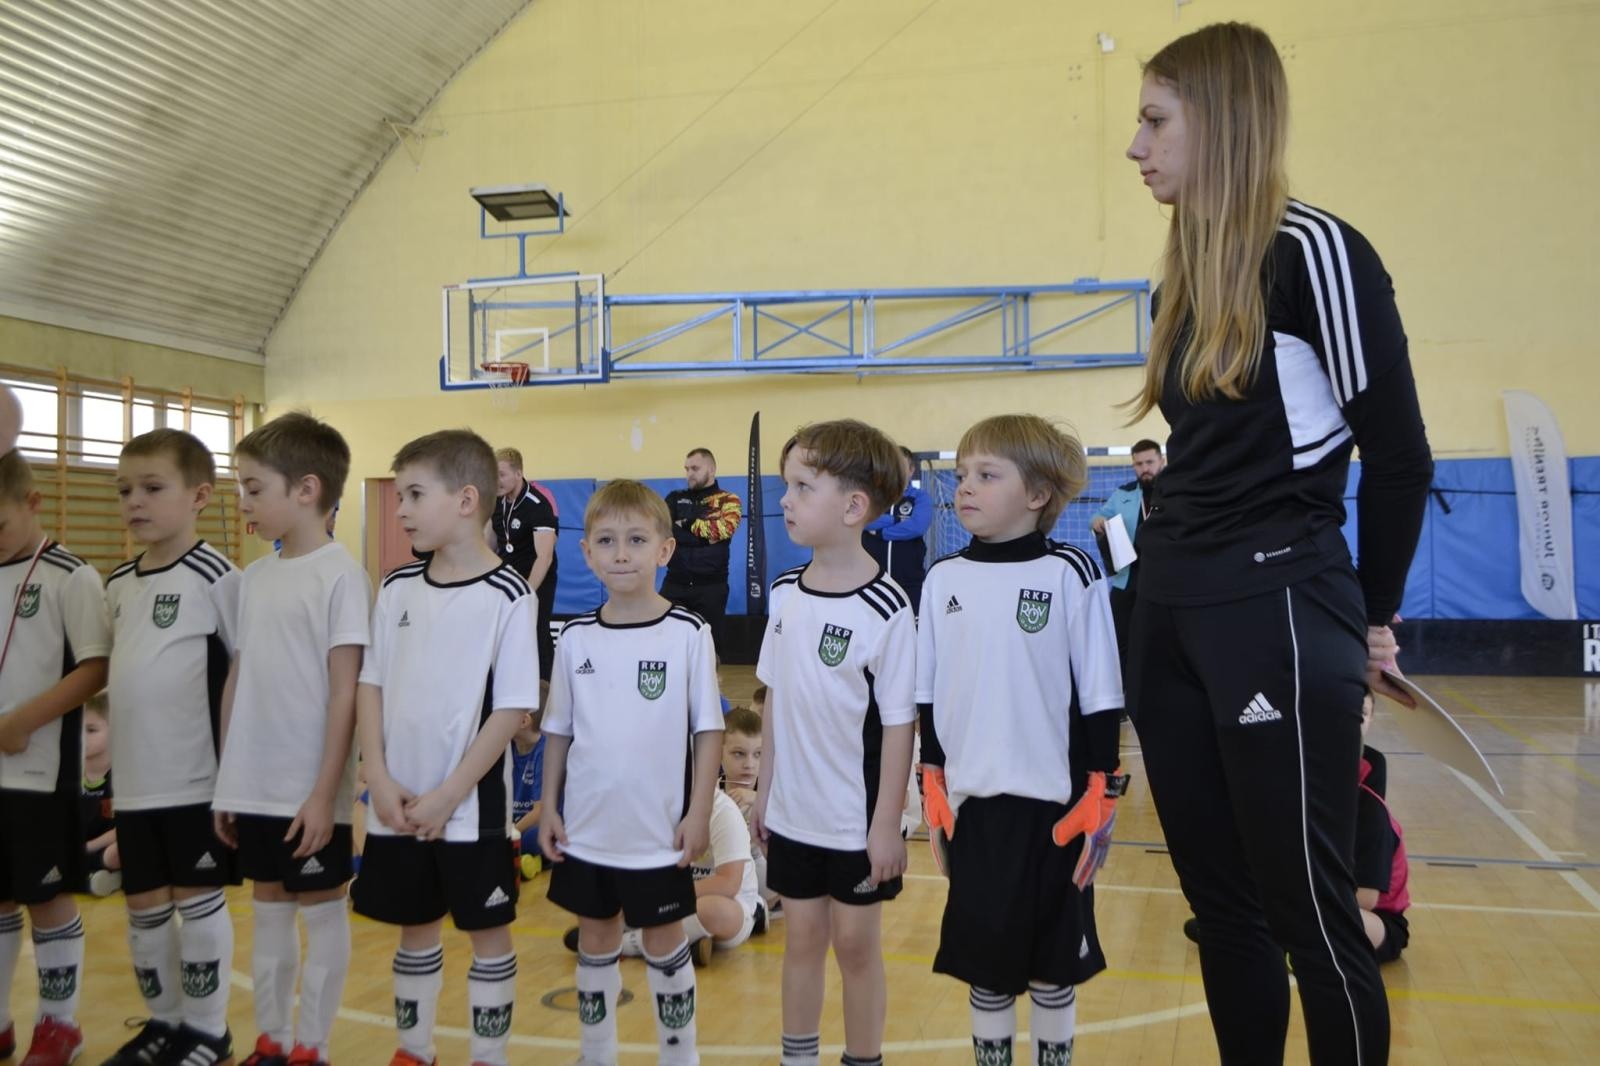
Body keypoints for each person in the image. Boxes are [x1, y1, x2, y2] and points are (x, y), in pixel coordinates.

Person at [1122, 23, 1433, 1065]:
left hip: (1277, 609)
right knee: (1222, 912)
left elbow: (1400, 456)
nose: (1135, 147)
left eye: (1155, 120)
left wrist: (1374, 618)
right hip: (1169, 611)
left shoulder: (1314, 253)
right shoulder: (1180, 277)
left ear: (1221, 121)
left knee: (1309, 912)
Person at [915, 414, 1125, 1065]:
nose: (964, 487)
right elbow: (928, 692)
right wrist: (931, 778)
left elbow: (1100, 692)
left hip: (1056, 811)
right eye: (961, 475)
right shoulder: (941, 578)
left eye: (986, 474)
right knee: (986, 969)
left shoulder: (1071, 571)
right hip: (972, 809)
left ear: (1037, 494)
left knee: (1054, 969)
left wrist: (1102, 788)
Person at [351, 430, 536, 1066]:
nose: (400, 509)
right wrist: (377, 775)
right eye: (399, 496)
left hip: (470, 810)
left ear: (464, 500)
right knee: (415, 928)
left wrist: (450, 795)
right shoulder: (397, 587)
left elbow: (510, 710)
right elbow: (370, 684)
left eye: (413, 494)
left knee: (489, 934)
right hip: (399, 803)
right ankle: (414, 1049)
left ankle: (489, 1056)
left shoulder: (510, 595)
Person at [539, 479, 724, 1065]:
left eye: (637, 540)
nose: (621, 554)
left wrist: (699, 812)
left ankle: (680, 1055)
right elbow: (559, 731)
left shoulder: (689, 633)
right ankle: (597, 1054)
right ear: (587, 552)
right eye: (607, 541)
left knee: (665, 941)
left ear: (664, 550)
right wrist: (549, 807)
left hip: (657, 833)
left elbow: (708, 731)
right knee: (596, 939)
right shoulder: (575, 638)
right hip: (588, 830)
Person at [752, 420, 916, 1066]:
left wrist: (887, 825)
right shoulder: (785, 594)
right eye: (786, 484)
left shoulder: (888, 608)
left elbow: (899, 726)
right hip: (794, 814)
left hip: (856, 822)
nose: (785, 500)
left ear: (852, 507)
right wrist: (764, 792)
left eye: (802, 486)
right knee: (801, 941)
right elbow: (773, 699)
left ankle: (863, 1058)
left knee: (854, 945)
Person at [211, 412, 372, 1066]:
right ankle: (272, 1039)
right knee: (269, 912)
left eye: (253, 488)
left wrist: (325, 794)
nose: (242, 502)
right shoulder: (251, 579)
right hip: (253, 785)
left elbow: (346, 693)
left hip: (311, 790)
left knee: (322, 909)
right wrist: (228, 781)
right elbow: (238, 680)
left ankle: (313, 1046)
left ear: (307, 490)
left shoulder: (342, 575)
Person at [102, 429, 243, 1065]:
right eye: (125, 490)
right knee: (144, 910)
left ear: (200, 497)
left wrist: (238, 776)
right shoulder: (117, 585)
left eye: (152, 488)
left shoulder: (219, 578)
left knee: (197, 902)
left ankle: (208, 1032)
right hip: (135, 785)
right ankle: (165, 1024)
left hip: (196, 782)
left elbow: (247, 677)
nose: (135, 501)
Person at [0, 450, 109, 1065]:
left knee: (47, 898)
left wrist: (24, 721)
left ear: (33, 503)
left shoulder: (71, 575)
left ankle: (59, 1024)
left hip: (42, 775)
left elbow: (95, 667)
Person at [1090, 439, 1164, 666]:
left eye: (1149, 462)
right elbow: (1098, 516)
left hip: (1163, 580)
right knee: (1119, 640)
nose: (1145, 468)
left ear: (1162, 461)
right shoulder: (1123, 493)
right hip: (1127, 579)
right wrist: (1099, 522)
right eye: (1139, 464)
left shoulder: (1175, 492)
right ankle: (1123, 683)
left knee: (1159, 642)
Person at [662, 448, 743, 654]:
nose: (689, 473)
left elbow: (724, 529)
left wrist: (685, 523)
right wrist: (705, 539)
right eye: (687, 469)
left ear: (712, 470)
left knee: (709, 650)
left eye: (695, 468)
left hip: (711, 587)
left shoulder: (728, 500)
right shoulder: (674, 498)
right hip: (675, 584)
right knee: (666, 645)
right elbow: (662, 531)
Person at [492, 448, 559, 679]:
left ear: (518, 473)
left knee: (536, 632)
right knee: (509, 633)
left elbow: (545, 557)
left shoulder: (538, 506)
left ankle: (545, 687)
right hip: (509, 577)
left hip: (537, 577)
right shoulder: (497, 503)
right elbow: (490, 543)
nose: (496, 481)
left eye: (501, 475)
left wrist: (526, 593)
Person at [1355, 693, 1410, 964]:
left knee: (1326, 917)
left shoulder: (1370, 811)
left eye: (1362, 714)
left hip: (1375, 919)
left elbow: (1365, 899)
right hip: (1323, 901)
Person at [862, 446, 932, 616]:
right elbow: (865, 520)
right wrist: (897, 519)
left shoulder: (920, 497)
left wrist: (881, 533)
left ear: (911, 470)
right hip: (872, 582)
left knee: (911, 627)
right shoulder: (872, 496)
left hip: (909, 582)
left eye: (901, 467)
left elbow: (917, 526)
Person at [80, 694, 119, 897]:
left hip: (104, 848)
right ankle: (106, 878)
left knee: (123, 848)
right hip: (75, 848)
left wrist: (88, 847)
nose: (81, 737)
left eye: (91, 730)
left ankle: (92, 875)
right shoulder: (70, 775)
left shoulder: (122, 775)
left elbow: (127, 827)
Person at [510, 711, 544, 881]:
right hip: (514, 825)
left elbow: (540, 812)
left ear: (524, 721)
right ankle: (528, 860)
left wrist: (512, 833)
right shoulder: (505, 747)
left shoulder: (544, 751)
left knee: (537, 836)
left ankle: (537, 860)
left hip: (534, 825)